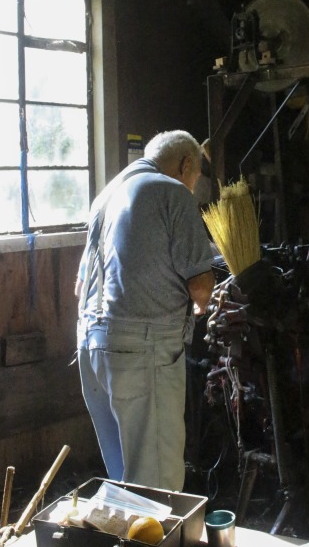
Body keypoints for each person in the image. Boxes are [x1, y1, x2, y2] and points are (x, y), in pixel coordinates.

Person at [75, 130, 215, 492]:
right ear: (186, 164)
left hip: (91, 349)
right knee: (156, 490)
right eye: (195, 177)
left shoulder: (106, 196)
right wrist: (208, 301)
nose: (193, 186)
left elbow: (81, 284)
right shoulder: (172, 192)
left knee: (126, 481)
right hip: (141, 352)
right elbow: (201, 288)